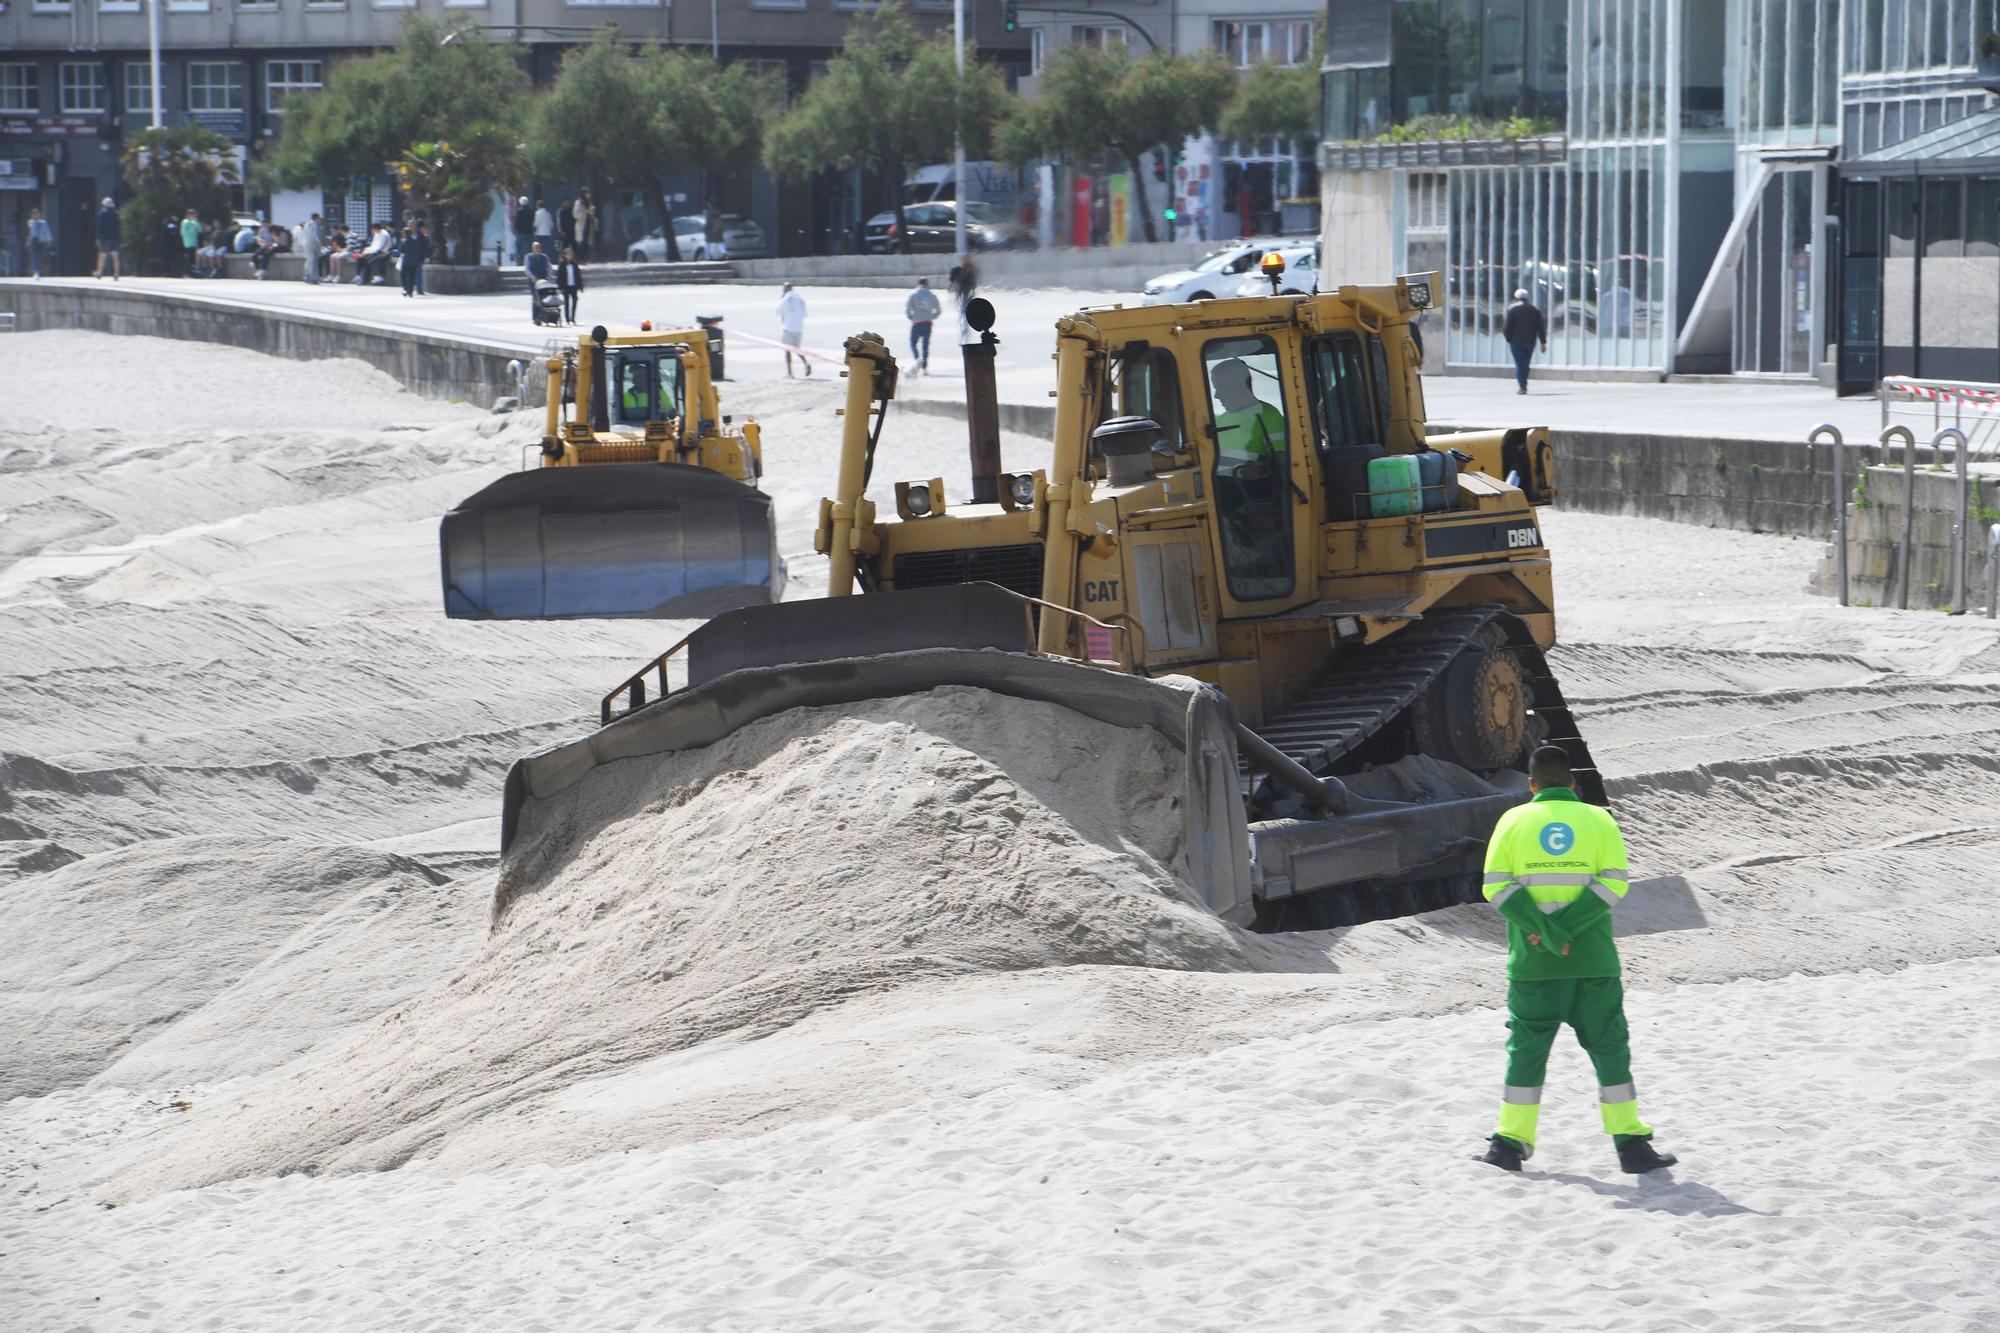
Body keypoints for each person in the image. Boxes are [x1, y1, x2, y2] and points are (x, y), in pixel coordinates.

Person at [1478, 745, 1677, 1175]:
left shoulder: (1512, 821)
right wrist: (1566, 929)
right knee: (1611, 1053)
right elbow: (1614, 884)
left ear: (1531, 786)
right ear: (1572, 782)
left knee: (1525, 1055)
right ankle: (1631, 1147)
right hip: (1593, 964)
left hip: (1533, 967)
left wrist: (1545, 930)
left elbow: (1495, 887)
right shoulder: (1599, 820)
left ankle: (1509, 1145)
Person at [1211, 358, 1284, 462]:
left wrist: (1256, 470)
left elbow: (1282, 461)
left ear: (1239, 384)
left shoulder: (1268, 415)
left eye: (1221, 387)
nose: (1216, 395)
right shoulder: (1219, 421)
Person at [1502, 288, 1548, 395]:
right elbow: (1540, 327)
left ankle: (1522, 386)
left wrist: (1509, 339)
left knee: (1519, 363)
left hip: (1516, 341)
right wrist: (1543, 342)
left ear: (1516, 298)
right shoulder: (1535, 310)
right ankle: (1524, 384)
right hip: (1530, 341)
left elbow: (1507, 327)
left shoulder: (1512, 309)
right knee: (1526, 363)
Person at [904, 276, 940, 375]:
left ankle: (917, 359)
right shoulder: (932, 295)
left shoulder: (913, 294)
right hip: (927, 323)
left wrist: (912, 317)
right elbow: (938, 310)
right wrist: (932, 316)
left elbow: (907, 310)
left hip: (916, 323)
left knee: (913, 343)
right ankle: (924, 367)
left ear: (919, 284)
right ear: (927, 284)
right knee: (925, 346)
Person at [777, 282, 810, 377]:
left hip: (788, 327)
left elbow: (778, 311)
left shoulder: (786, 298)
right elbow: (805, 314)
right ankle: (806, 363)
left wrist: (782, 299)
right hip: (799, 328)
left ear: (786, 289)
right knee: (797, 349)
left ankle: (790, 373)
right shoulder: (800, 299)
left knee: (787, 351)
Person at [948, 254, 979, 345]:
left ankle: (965, 336)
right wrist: (950, 294)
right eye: (964, 259)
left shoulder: (972, 271)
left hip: (968, 296)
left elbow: (974, 283)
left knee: (965, 317)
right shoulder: (957, 270)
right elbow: (952, 283)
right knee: (963, 317)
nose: (966, 261)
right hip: (961, 296)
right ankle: (964, 336)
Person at [399, 221, 430, 297]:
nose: (412, 227)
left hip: (417, 258)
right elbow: (401, 249)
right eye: (410, 225)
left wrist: (425, 255)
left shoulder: (420, 235)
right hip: (407, 259)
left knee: (416, 275)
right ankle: (407, 290)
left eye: (413, 225)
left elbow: (424, 246)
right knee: (406, 275)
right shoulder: (405, 237)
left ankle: (417, 290)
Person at [94, 197, 122, 280]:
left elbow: (99, 227)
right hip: (115, 238)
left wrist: (98, 238)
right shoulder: (116, 214)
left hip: (104, 238)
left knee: (102, 256)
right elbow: (118, 227)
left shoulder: (102, 214)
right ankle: (116, 273)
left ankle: (99, 272)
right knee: (115, 257)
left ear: (104, 205)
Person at [555, 246, 584, 324]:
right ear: (564, 255)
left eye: (571, 254)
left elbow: (578, 275)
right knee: (567, 303)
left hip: (573, 286)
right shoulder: (562, 265)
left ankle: (573, 318)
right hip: (566, 286)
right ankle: (567, 319)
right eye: (568, 254)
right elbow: (559, 277)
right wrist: (560, 287)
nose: (570, 256)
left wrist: (580, 286)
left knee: (574, 301)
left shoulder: (574, 264)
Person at [25, 209, 52, 279]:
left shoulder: (43, 223)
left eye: (37, 214)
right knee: (34, 256)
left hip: (42, 241)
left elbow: (47, 231)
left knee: (41, 256)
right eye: (34, 214)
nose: (36, 215)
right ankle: (36, 272)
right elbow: (30, 230)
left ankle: (39, 270)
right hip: (34, 241)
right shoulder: (31, 222)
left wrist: (49, 240)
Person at [572, 190, 596, 262]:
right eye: (587, 193)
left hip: (588, 224)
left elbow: (592, 213)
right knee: (581, 243)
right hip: (581, 224)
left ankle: (586, 258)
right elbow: (575, 214)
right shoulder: (578, 202)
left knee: (587, 243)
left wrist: (591, 212)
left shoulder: (589, 203)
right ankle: (579, 258)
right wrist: (585, 212)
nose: (589, 195)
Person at [301, 213, 323, 284]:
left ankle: (306, 276)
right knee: (312, 261)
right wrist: (319, 243)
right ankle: (312, 278)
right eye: (319, 219)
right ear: (316, 218)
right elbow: (314, 234)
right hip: (312, 245)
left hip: (306, 244)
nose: (320, 220)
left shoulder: (306, 224)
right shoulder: (313, 224)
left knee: (309, 261)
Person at [179, 208, 202, 277]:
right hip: (188, 242)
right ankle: (186, 272)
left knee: (192, 258)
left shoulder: (194, 222)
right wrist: (192, 228)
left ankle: (192, 272)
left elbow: (200, 230)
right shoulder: (185, 222)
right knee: (189, 257)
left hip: (194, 242)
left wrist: (196, 223)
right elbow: (183, 232)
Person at [512, 194, 533, 265]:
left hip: (520, 231)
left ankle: (519, 261)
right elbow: (533, 221)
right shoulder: (531, 211)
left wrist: (514, 228)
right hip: (529, 231)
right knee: (528, 247)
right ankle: (528, 261)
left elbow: (517, 221)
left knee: (518, 246)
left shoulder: (519, 211)